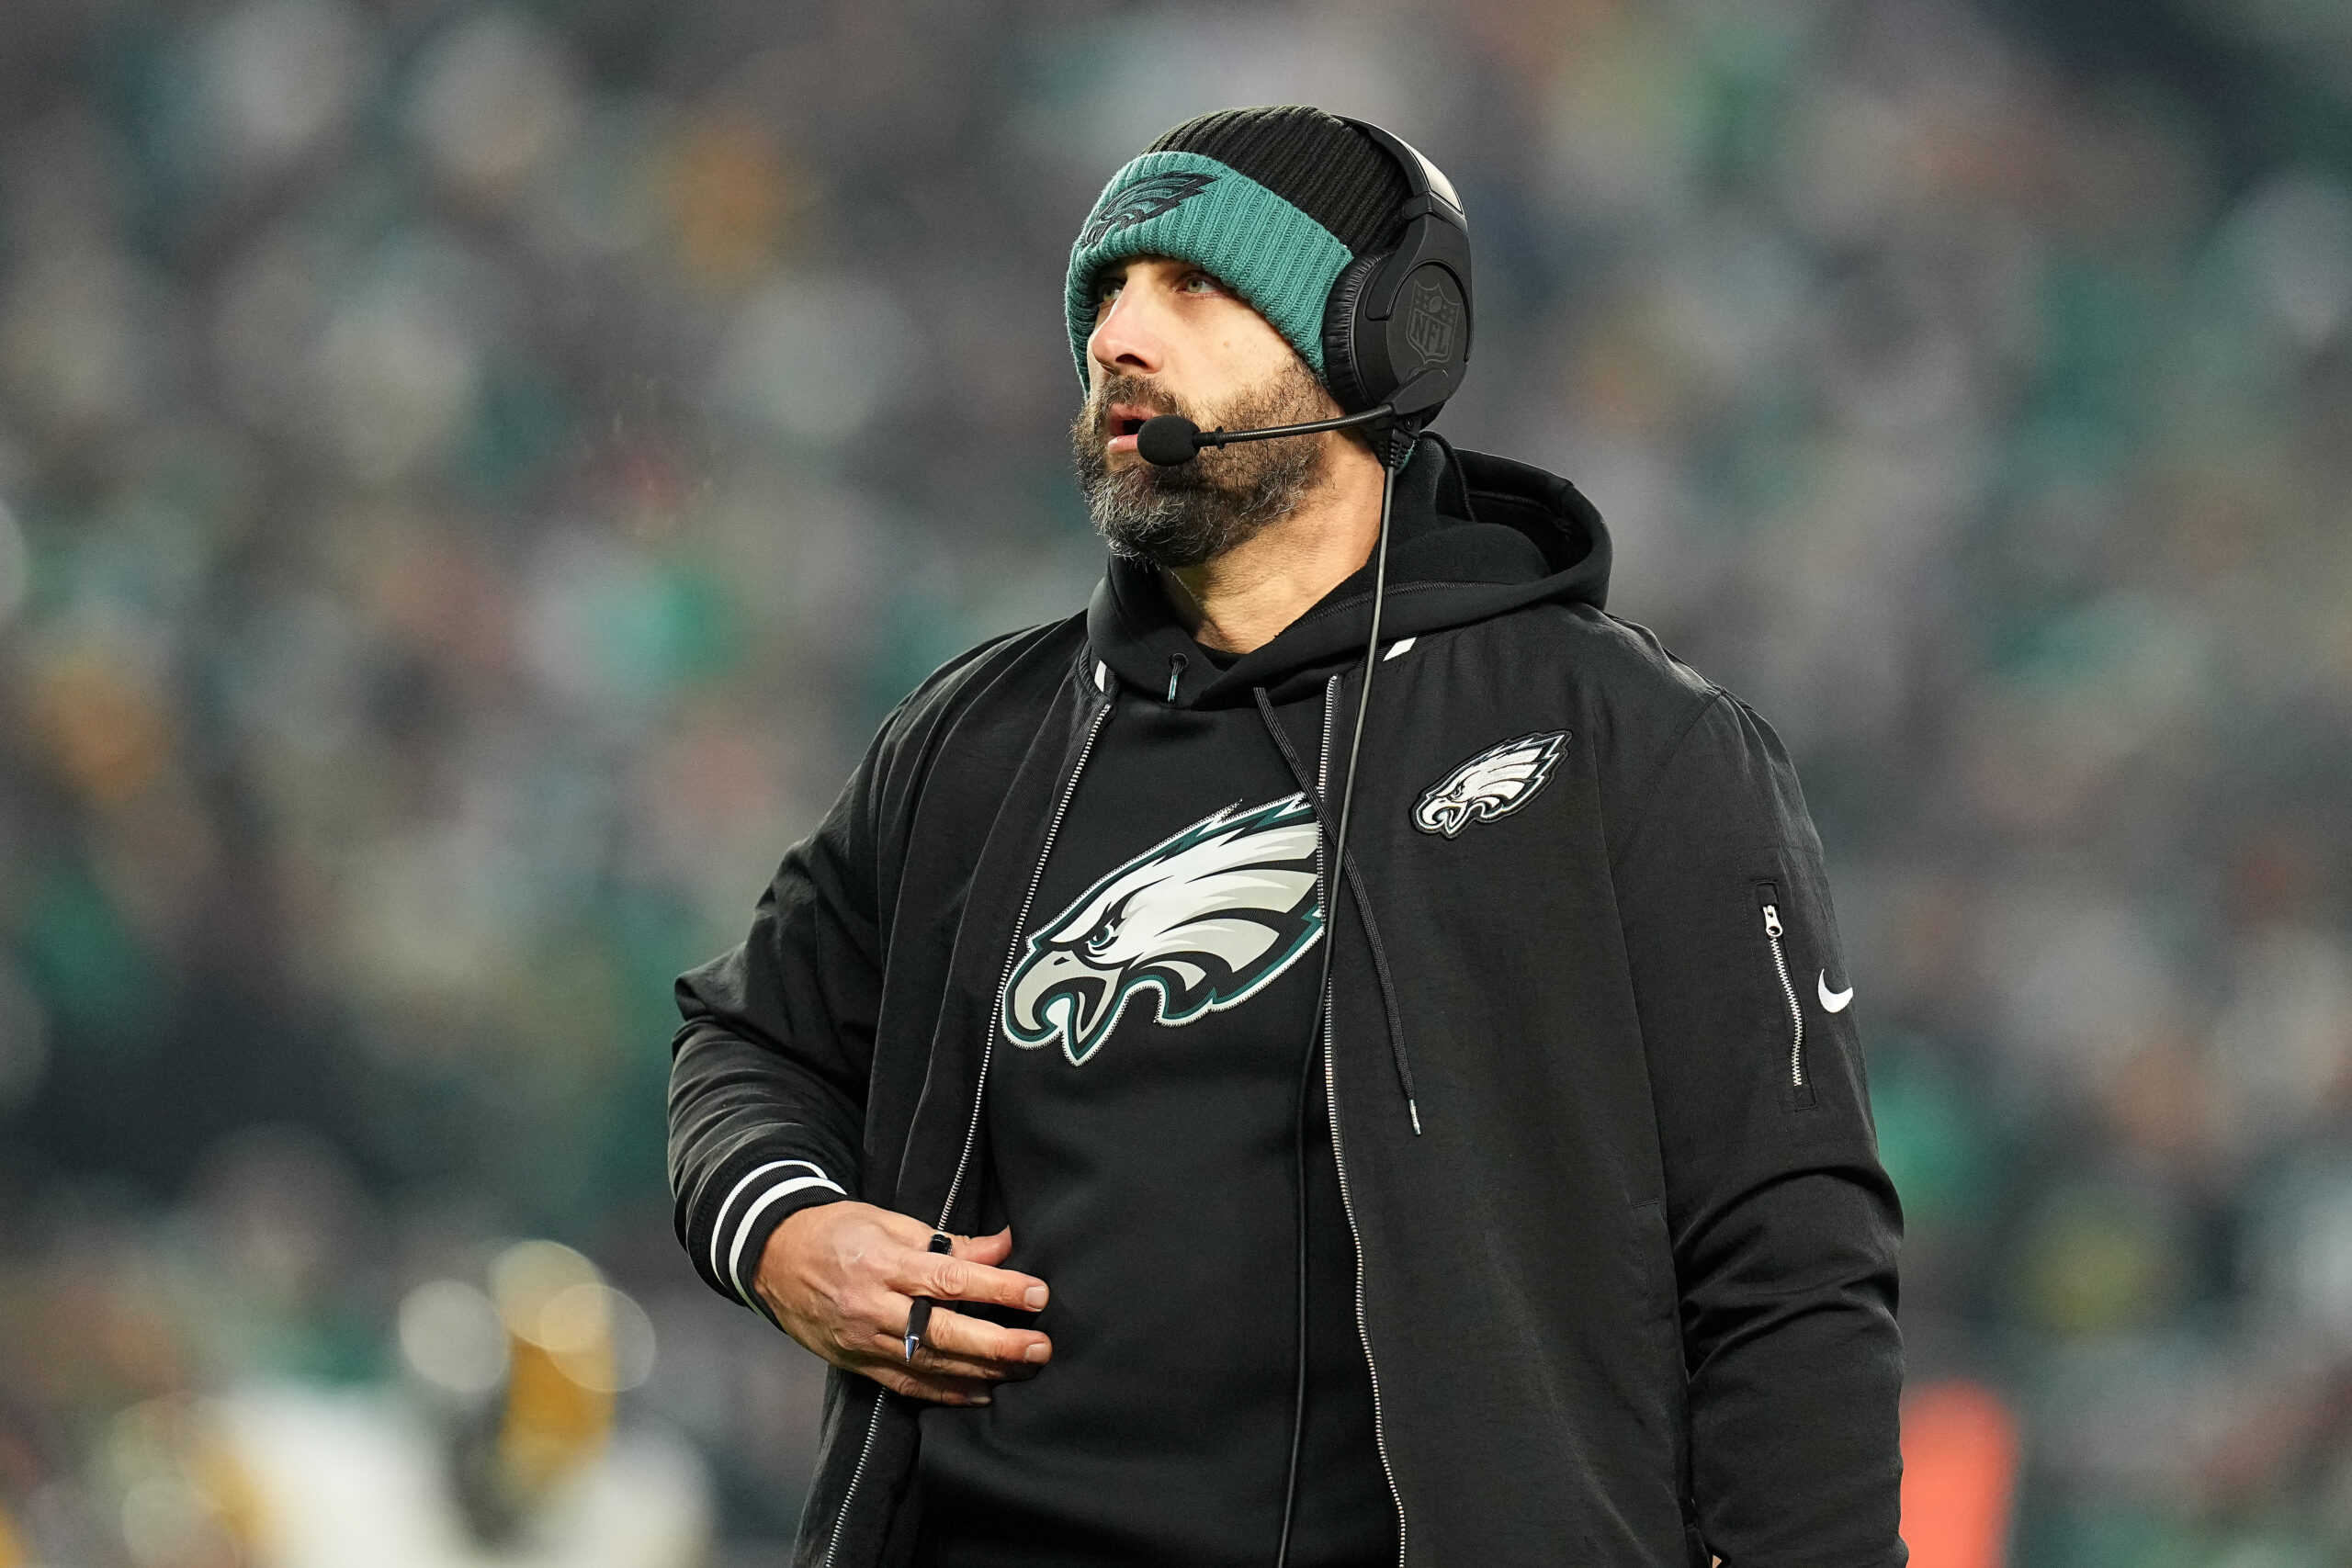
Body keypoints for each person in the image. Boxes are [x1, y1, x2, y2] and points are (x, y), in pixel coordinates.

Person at [666, 105, 1905, 1568]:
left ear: (1378, 345)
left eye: (1192, 286)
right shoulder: (973, 742)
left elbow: (1789, 1264)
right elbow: (748, 1041)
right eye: (1105, 294)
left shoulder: (1627, 744)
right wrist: (783, 1232)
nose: (1118, 336)